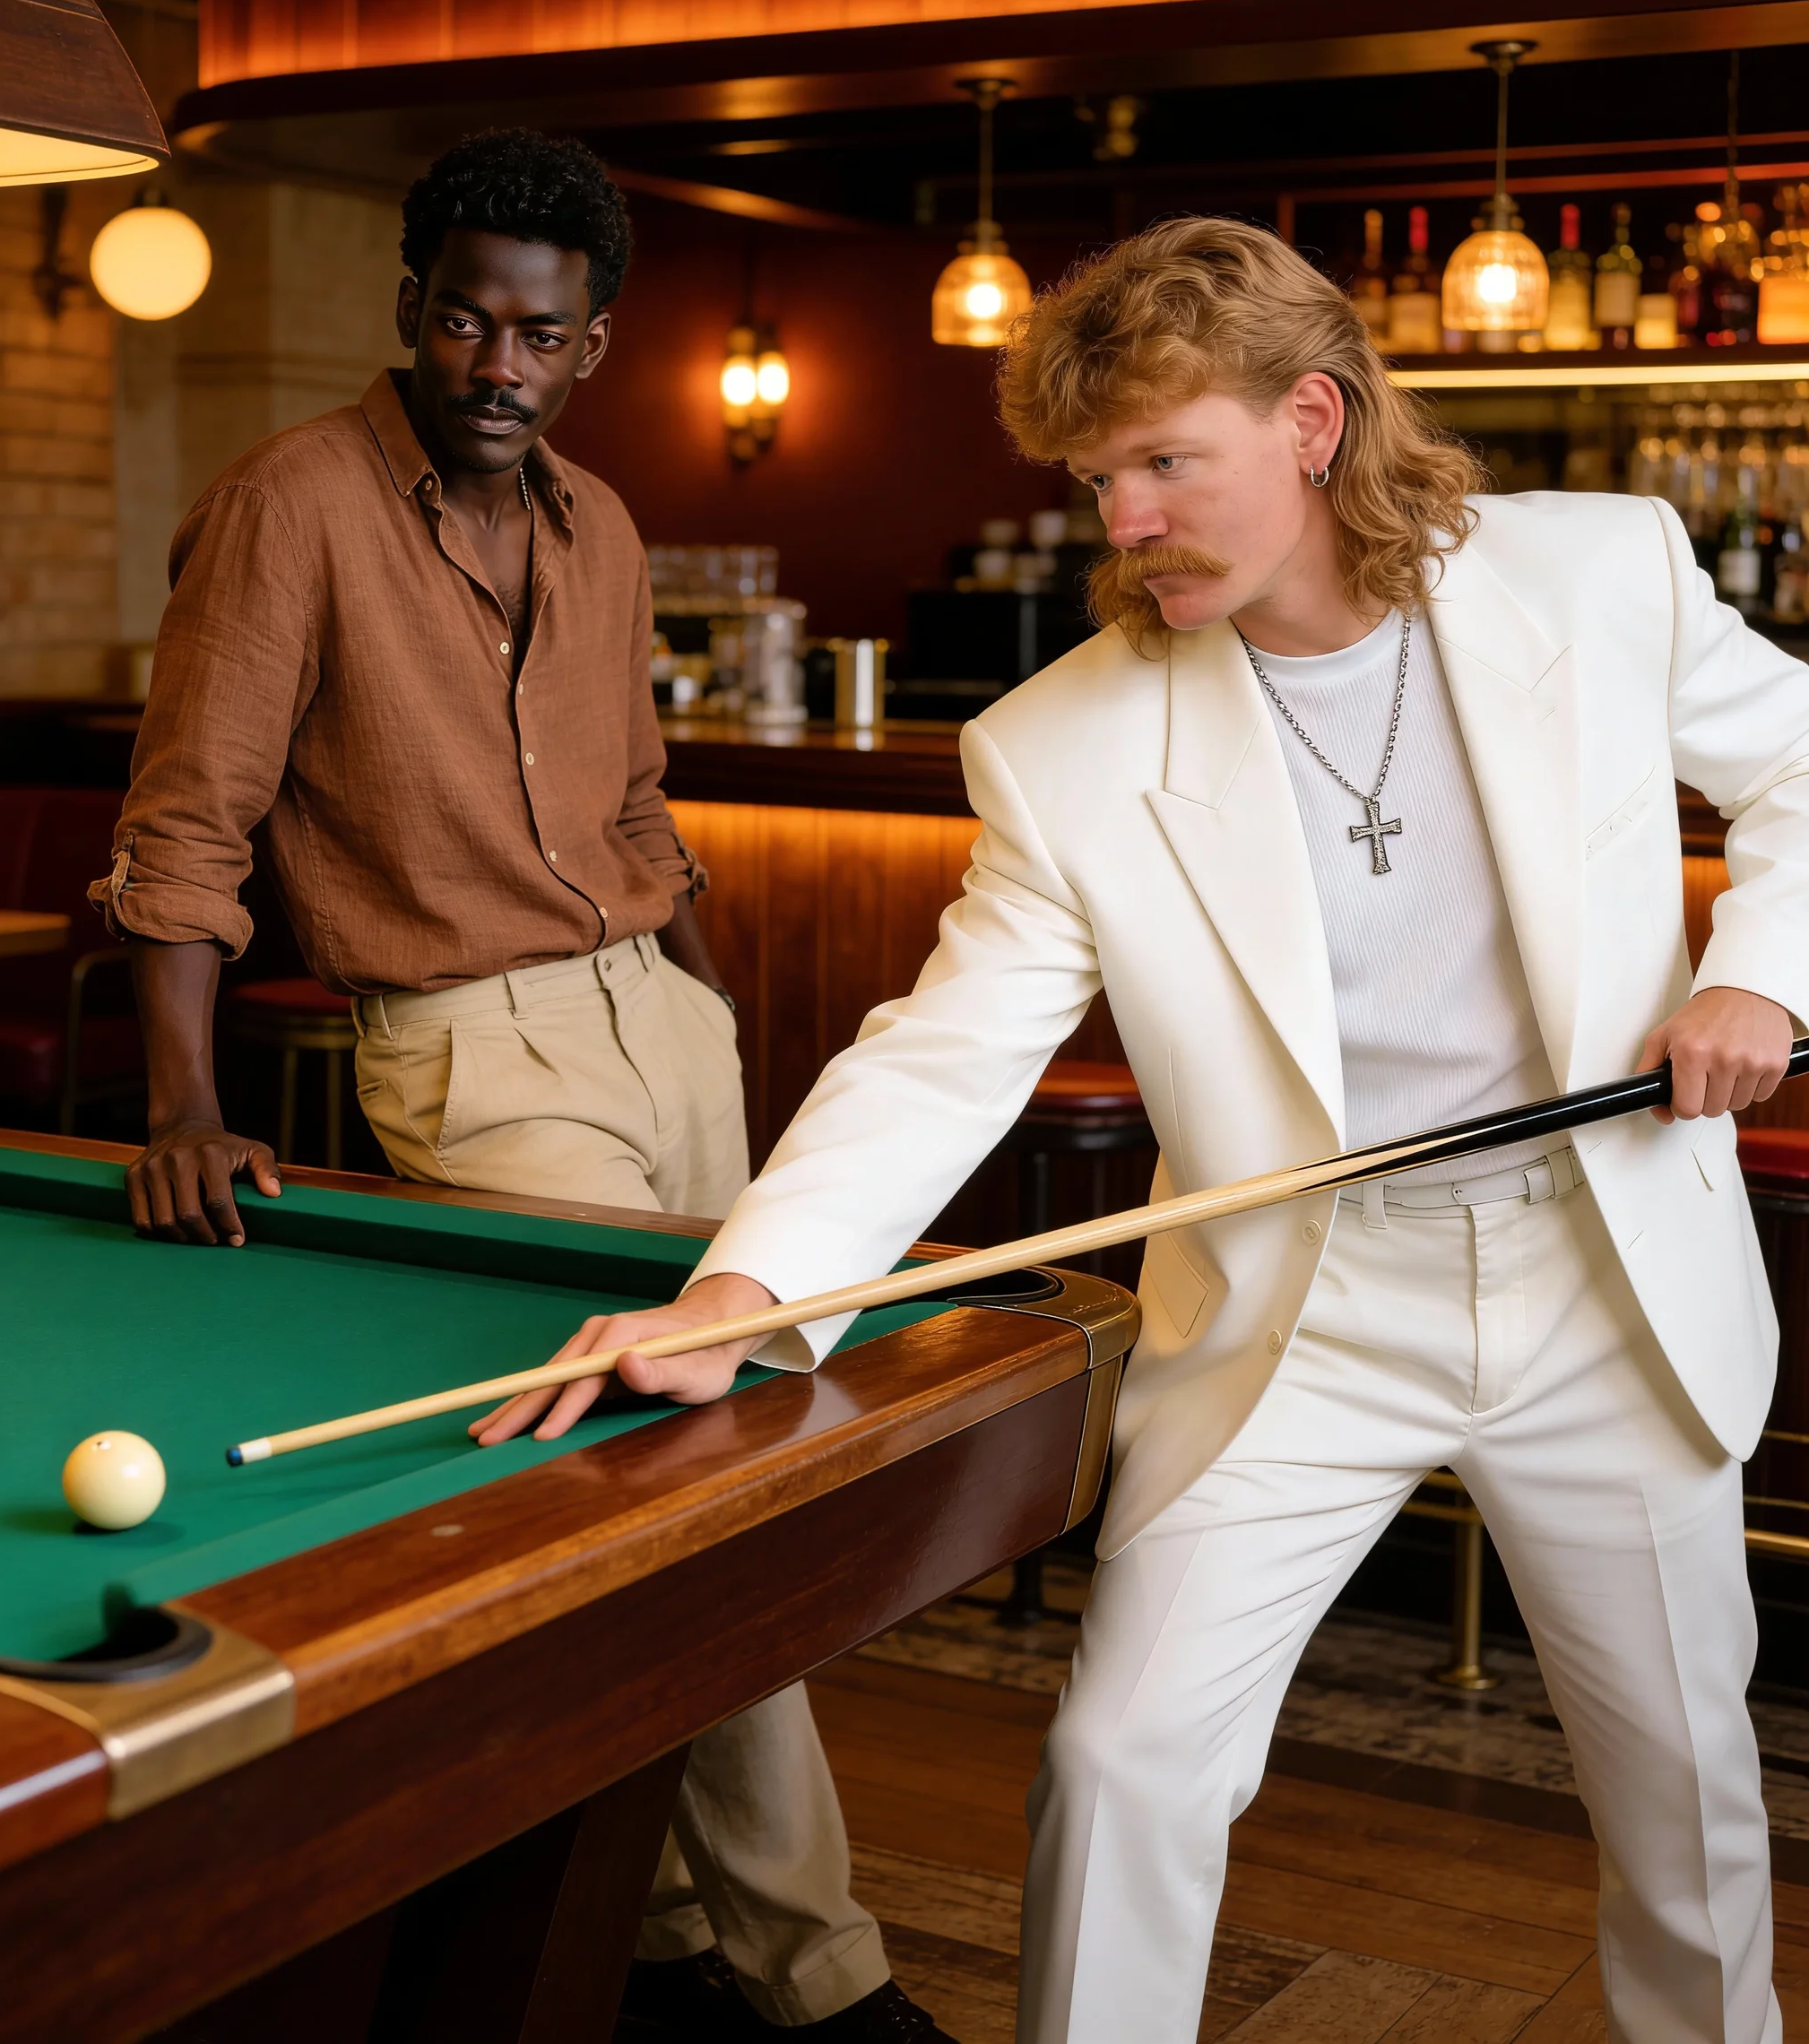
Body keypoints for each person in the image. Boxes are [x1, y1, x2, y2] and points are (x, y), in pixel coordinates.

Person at [478, 217, 1809, 2043]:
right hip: (1304, 1312)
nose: (1122, 515)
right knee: (1114, 1768)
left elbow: (1799, 764)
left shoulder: (1596, 572)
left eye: (1162, 461)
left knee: (1681, 1808)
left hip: (1604, 1279)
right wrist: (745, 1292)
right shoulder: (1060, 741)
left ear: (1312, 421)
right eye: (1098, 474)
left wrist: (1762, 974)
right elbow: (942, 1051)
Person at [93, 129, 948, 2044]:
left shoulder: (610, 524)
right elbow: (186, 829)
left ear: (591, 345)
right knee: (691, 1472)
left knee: (668, 1491)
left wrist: (712, 1020)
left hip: (666, 1020)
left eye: (538, 335)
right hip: (471, 1048)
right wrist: (180, 1098)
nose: (497, 363)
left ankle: (639, 1929)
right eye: (466, 319)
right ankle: (822, 1973)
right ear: (409, 309)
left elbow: (637, 804)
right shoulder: (283, 506)